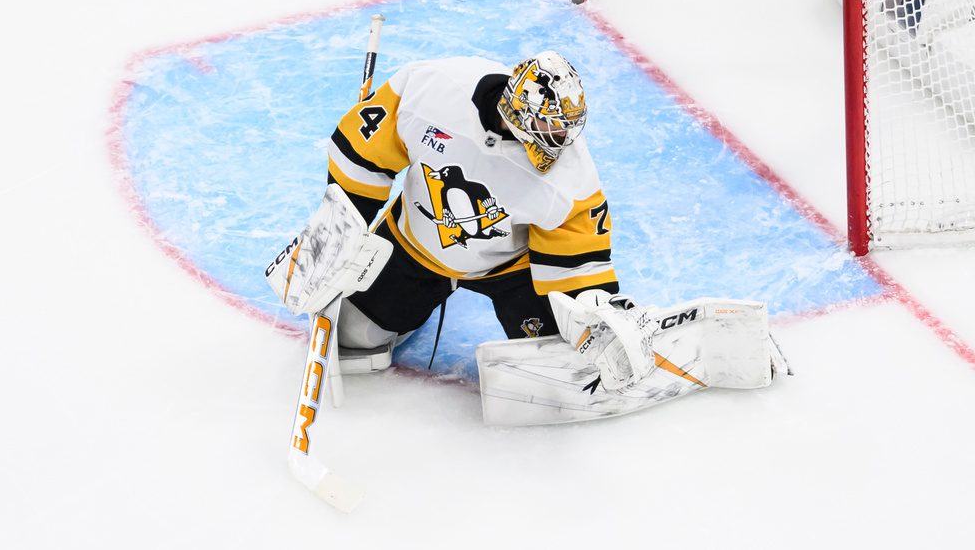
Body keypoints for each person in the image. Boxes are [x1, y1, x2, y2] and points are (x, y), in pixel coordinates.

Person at [266, 50, 788, 426]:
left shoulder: (569, 176)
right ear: (519, 115)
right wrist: (340, 228)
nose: (562, 145)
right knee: (353, 342)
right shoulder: (430, 90)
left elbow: (577, 257)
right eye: (552, 132)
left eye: (568, 132)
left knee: (565, 367)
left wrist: (589, 311)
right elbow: (362, 153)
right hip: (416, 246)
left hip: (512, 269)